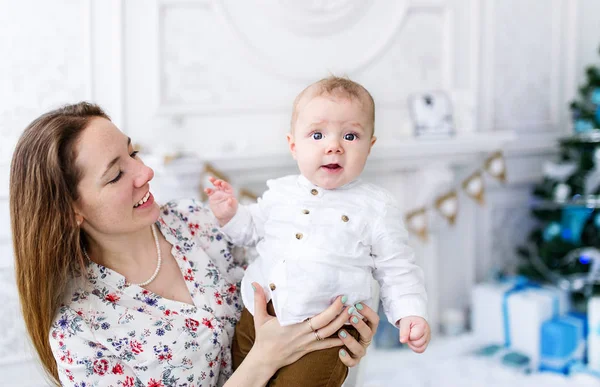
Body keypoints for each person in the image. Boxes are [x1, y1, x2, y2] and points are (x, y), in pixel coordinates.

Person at [9, 102, 378, 387]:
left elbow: (288, 280)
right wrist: (263, 360)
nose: (145, 172)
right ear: (72, 210)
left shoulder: (193, 221)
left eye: (133, 153)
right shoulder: (81, 333)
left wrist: (342, 335)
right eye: (117, 174)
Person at [206, 76, 431, 386]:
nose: (334, 146)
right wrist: (229, 214)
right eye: (317, 134)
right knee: (241, 371)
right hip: (257, 314)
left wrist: (411, 313)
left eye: (351, 136)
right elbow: (250, 230)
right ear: (293, 146)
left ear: (370, 146)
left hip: (327, 332)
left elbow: (397, 267)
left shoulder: (376, 207)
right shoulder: (279, 193)